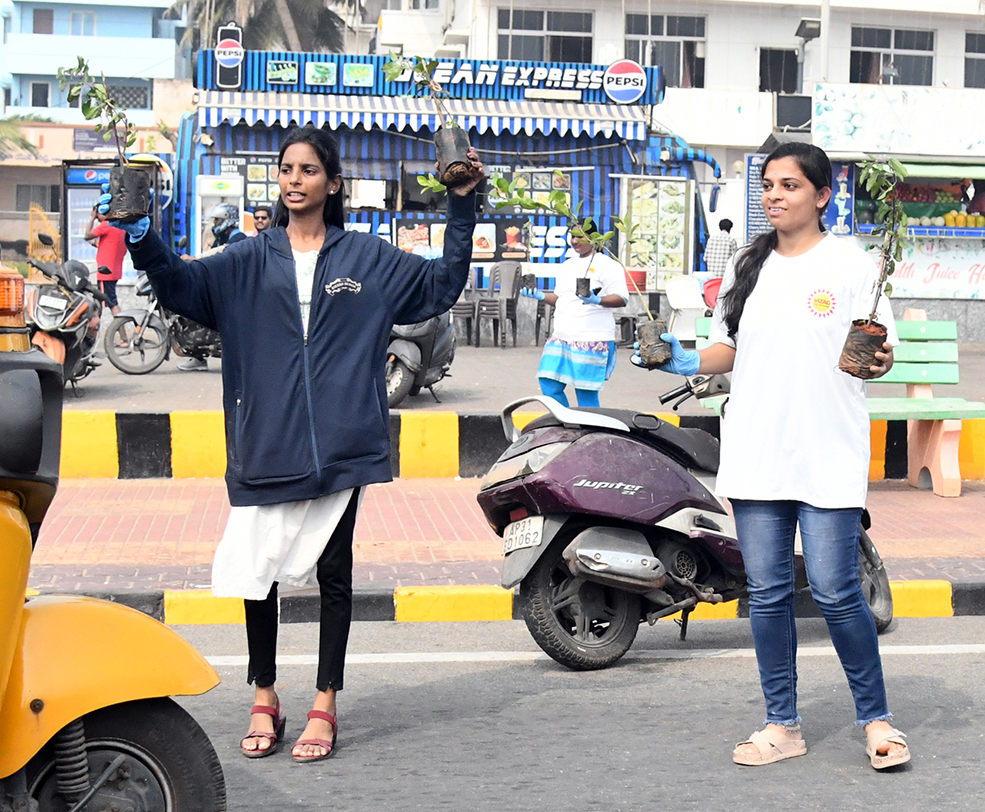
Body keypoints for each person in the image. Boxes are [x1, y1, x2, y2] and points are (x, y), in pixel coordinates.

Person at [100, 124, 484, 762]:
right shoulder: (250, 257)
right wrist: (139, 231)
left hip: (341, 445)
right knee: (260, 575)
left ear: (332, 183)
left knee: (335, 576)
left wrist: (464, 205)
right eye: (286, 170)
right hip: (266, 441)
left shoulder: (367, 259)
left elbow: (441, 285)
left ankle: (324, 702)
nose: (294, 180)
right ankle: (264, 695)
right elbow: (179, 286)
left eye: (308, 170)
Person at [638, 142, 909, 771]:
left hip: (829, 450)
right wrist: (675, 357)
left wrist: (881, 355)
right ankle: (782, 724)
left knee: (839, 592)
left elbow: (877, 349)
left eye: (789, 185)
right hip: (759, 449)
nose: (774, 195)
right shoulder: (744, 267)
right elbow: (723, 350)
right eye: (767, 185)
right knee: (767, 593)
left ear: (822, 195)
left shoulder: (853, 266)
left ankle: (877, 720)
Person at [519, 219, 627, 408]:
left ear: (594, 238)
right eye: (572, 236)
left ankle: (590, 432)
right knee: (548, 383)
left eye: (580, 237)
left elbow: (621, 298)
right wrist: (539, 295)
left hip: (591, 339)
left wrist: (597, 300)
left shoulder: (608, 265)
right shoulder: (567, 265)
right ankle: (568, 423)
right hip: (561, 337)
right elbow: (560, 297)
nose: (574, 241)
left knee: (585, 393)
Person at [87, 207, 127, 315]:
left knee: (111, 304)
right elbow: (112, 245)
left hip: (105, 272)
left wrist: (92, 218)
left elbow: (87, 235)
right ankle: (96, 330)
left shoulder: (107, 224)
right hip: (115, 270)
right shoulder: (120, 225)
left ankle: (118, 329)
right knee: (101, 303)